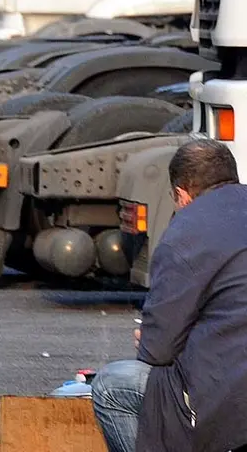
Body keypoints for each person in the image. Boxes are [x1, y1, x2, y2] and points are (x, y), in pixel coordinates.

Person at [91, 139, 247, 452]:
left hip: (229, 401)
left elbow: (157, 351)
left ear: (182, 194)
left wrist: (151, 338)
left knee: (110, 386)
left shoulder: (186, 232)